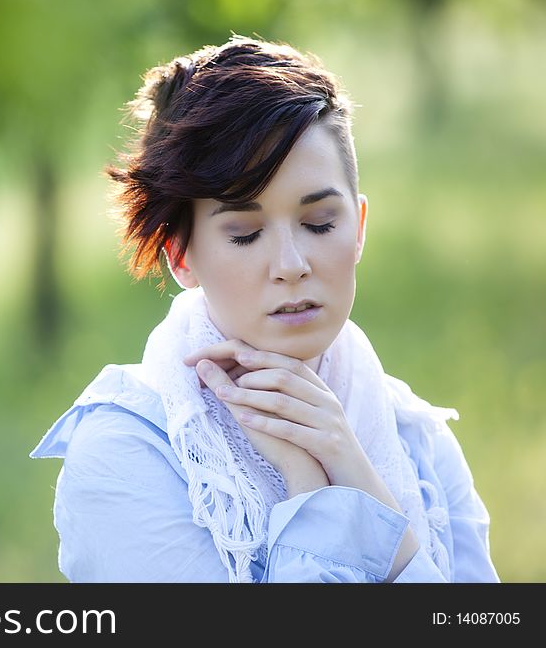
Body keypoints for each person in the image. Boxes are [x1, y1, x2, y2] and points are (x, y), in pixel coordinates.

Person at [30, 35, 499, 583]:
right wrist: (308, 485)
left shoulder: (416, 437)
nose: (292, 263)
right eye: (246, 233)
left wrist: (354, 477)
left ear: (360, 228)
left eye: (320, 223)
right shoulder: (125, 454)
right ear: (180, 255)